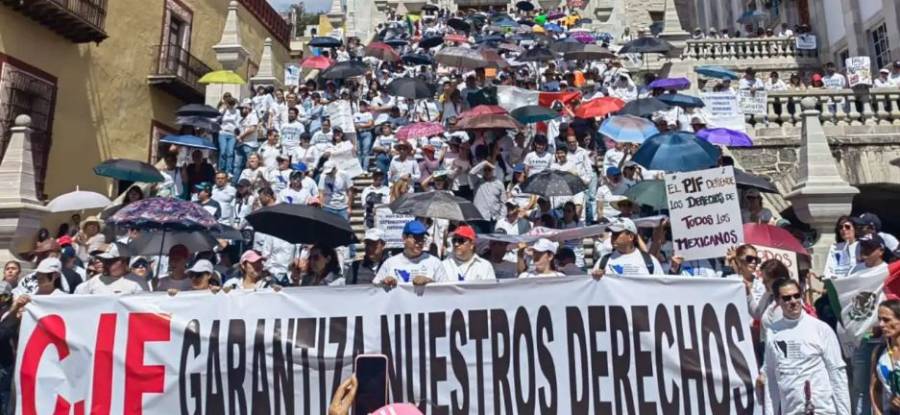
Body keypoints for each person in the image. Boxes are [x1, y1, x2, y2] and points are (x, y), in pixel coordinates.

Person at [764, 278, 851, 415]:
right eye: (786, 298)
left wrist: (844, 412)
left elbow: (837, 372)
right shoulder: (773, 332)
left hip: (822, 410)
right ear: (778, 301)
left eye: (796, 296)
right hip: (791, 410)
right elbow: (771, 379)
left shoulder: (821, 328)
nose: (793, 301)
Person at [373, 220, 448, 286]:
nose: (419, 242)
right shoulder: (390, 263)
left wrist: (430, 283)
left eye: (422, 237)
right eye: (415, 237)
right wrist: (384, 282)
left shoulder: (435, 263)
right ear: (404, 238)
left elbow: (447, 290)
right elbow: (374, 289)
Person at [591, 218, 663, 278]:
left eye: (617, 233)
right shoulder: (603, 261)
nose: (613, 237)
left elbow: (660, 287)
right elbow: (593, 288)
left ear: (631, 237)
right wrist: (596, 278)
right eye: (612, 233)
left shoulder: (649, 261)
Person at [74, 244, 144, 295]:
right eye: (104, 260)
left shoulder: (137, 283)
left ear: (124, 261)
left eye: (110, 260)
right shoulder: (95, 280)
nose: (106, 263)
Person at [871, 299, 900, 414]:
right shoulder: (879, 351)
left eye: (887, 320)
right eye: (880, 319)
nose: (881, 324)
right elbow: (875, 389)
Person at [822, 215, 859, 280]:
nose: (843, 229)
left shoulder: (861, 246)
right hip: (839, 284)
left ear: (854, 229)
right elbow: (828, 270)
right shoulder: (835, 247)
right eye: (840, 227)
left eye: (847, 227)